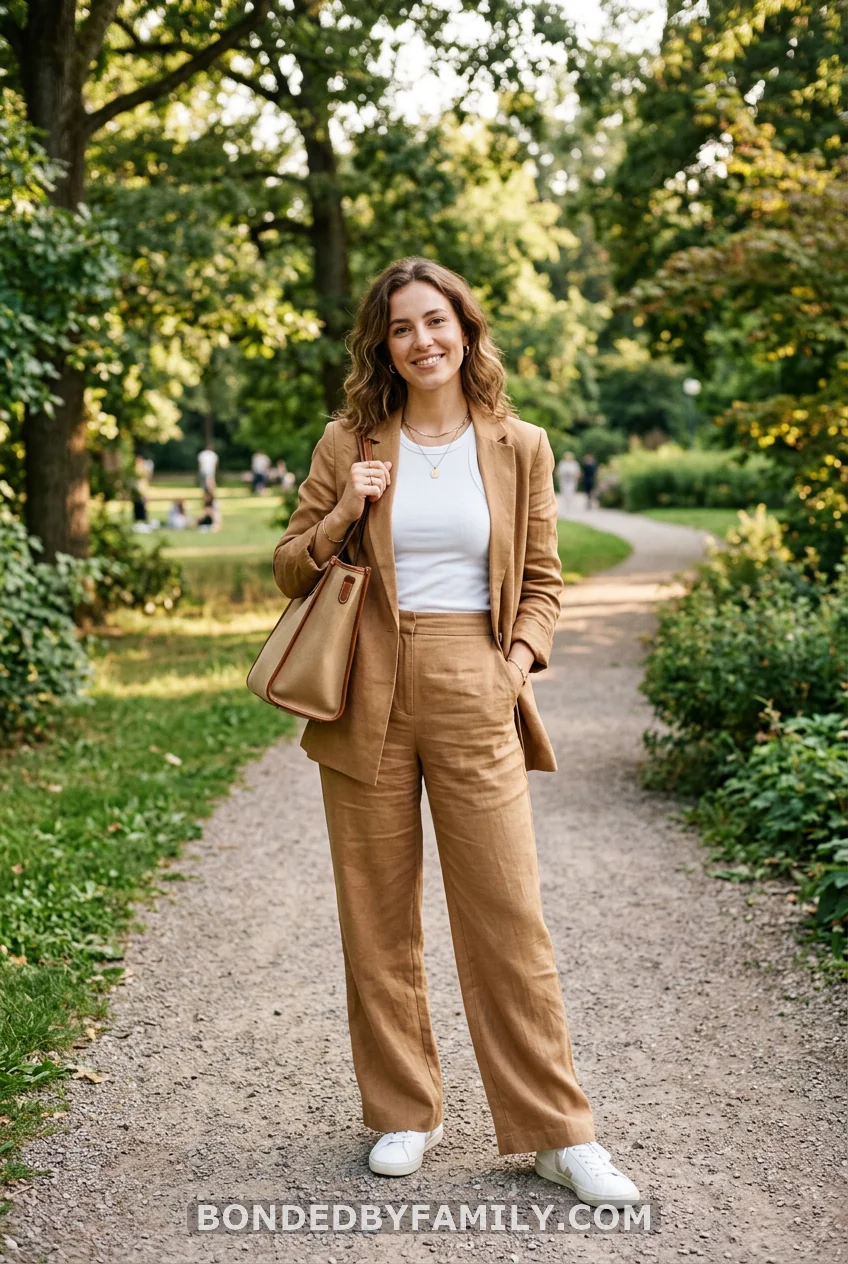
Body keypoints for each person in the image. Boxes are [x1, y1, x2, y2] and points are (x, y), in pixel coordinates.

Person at [273, 257, 640, 1207]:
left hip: (475, 676)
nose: (421, 341)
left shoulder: (521, 444)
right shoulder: (348, 441)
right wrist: (346, 507)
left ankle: (559, 1133)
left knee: (508, 914)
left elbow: (545, 580)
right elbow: (288, 568)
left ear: (466, 331)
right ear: (383, 345)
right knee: (375, 913)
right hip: (365, 686)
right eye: (401, 328)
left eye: (436, 321)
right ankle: (404, 1110)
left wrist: (513, 664)